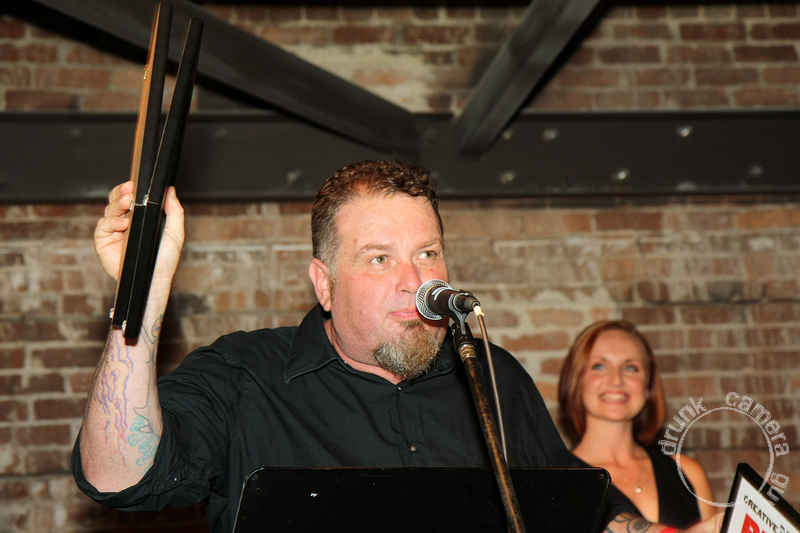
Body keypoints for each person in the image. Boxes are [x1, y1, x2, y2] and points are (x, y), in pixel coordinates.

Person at [73, 160, 722, 533]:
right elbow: (118, 475)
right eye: (380, 258)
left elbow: (582, 506)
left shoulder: (491, 374)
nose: (416, 282)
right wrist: (142, 302)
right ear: (324, 283)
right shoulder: (245, 374)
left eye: (427, 253)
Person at [558, 320, 718, 528]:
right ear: (576, 380)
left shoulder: (687, 471)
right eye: (599, 366)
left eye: (631, 368)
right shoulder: (561, 482)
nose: (616, 379)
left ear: (648, 385)